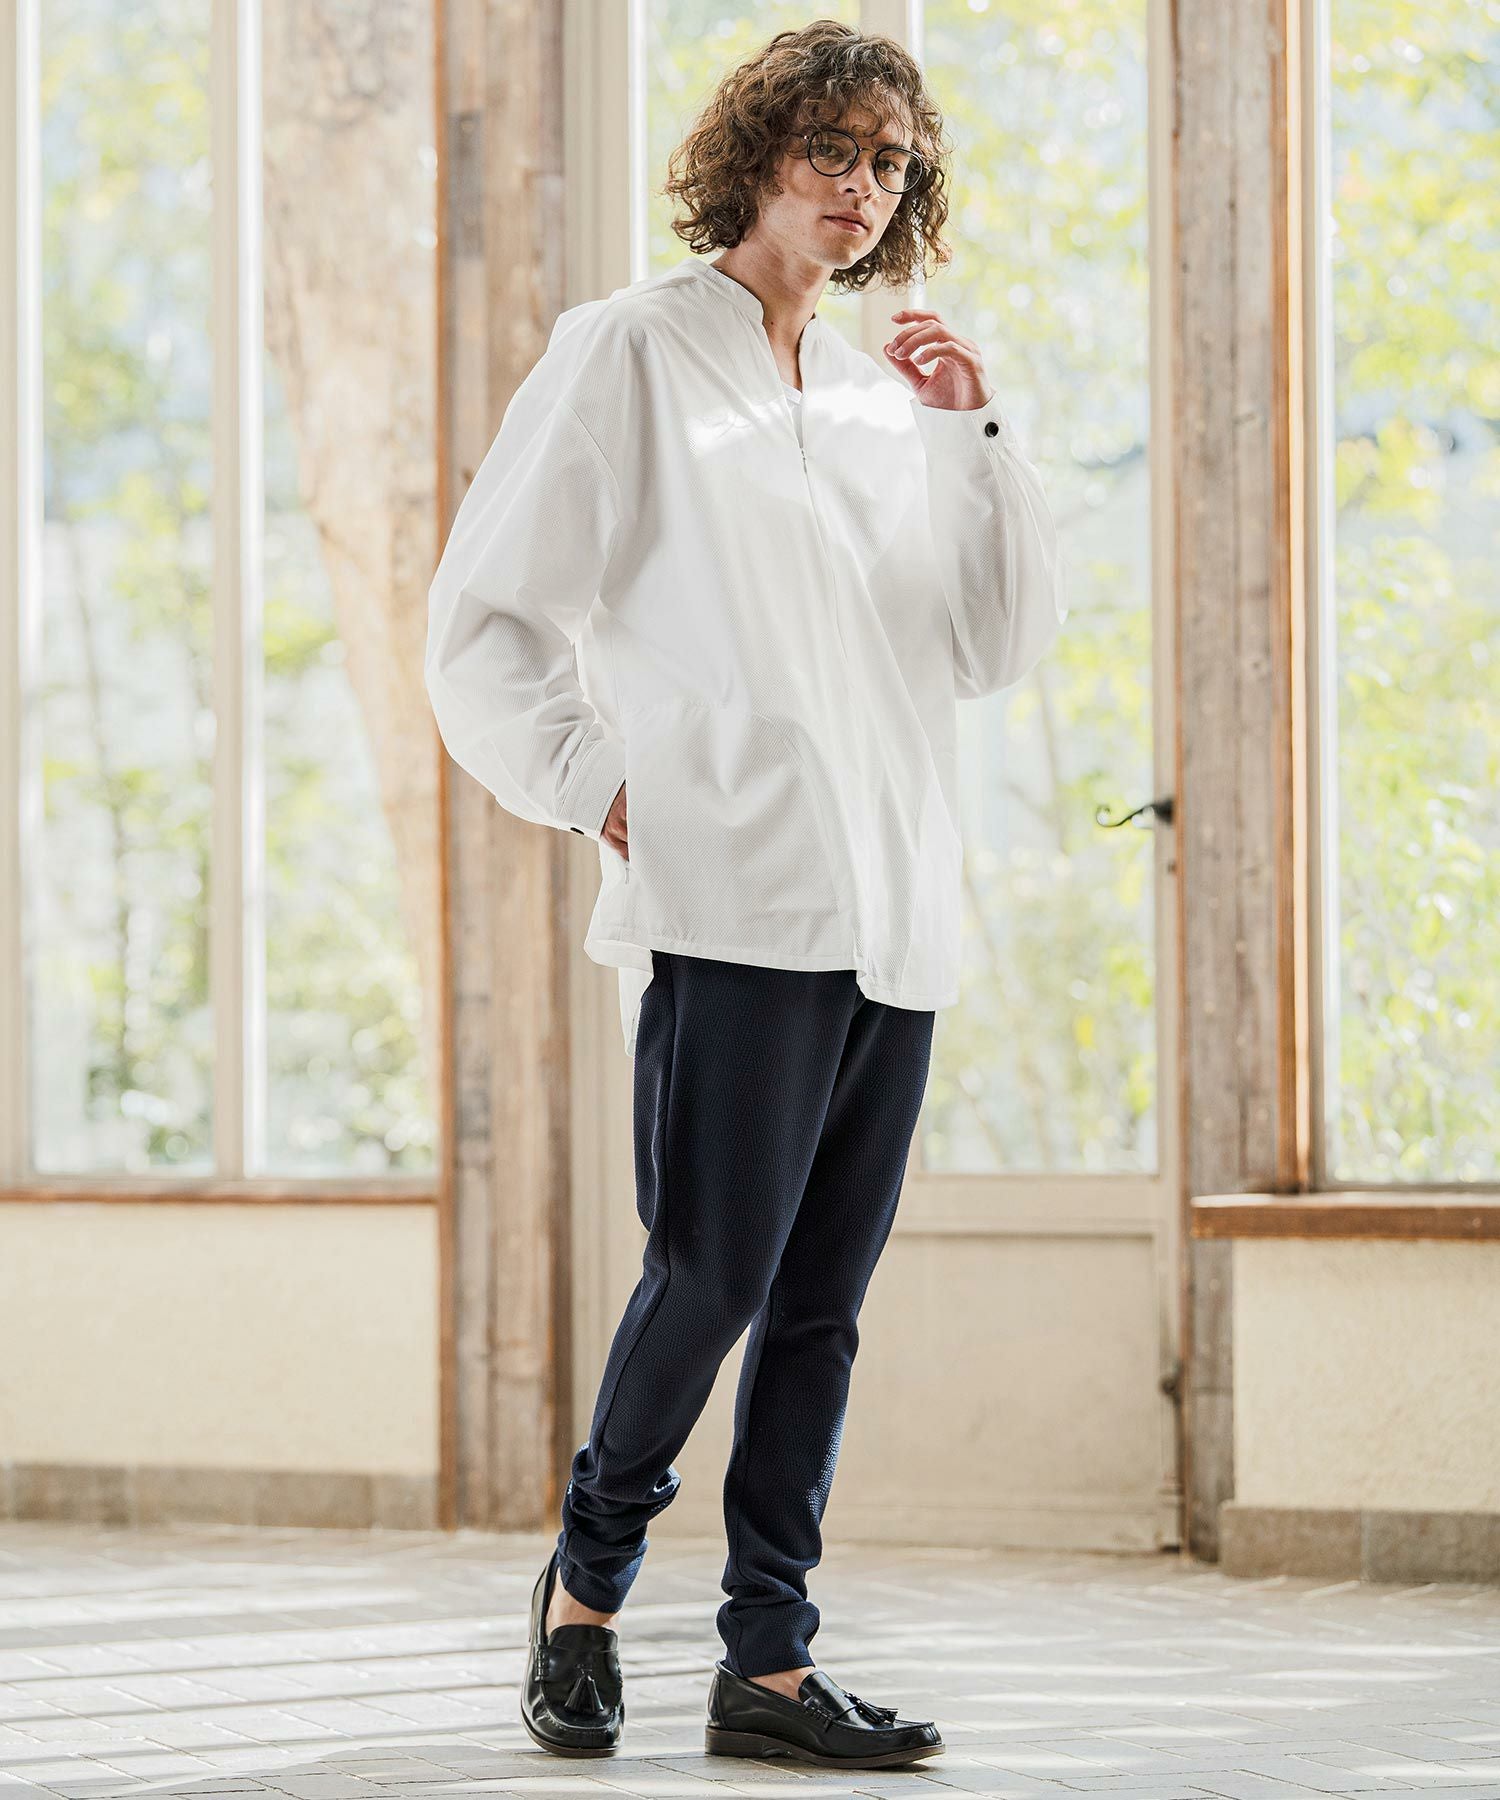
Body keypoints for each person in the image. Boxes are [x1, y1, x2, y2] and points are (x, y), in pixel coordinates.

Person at [424, 19, 1066, 1773]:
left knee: (821, 1309)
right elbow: (484, 620)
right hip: (734, 903)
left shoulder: (876, 400)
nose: (860, 189)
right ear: (759, 155)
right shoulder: (632, 349)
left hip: (892, 912)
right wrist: (596, 783)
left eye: (889, 163)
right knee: (707, 1275)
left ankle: (768, 1666)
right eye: (831, 150)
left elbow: (993, 644)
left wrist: (972, 427)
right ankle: (584, 1598)